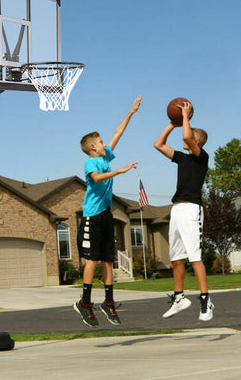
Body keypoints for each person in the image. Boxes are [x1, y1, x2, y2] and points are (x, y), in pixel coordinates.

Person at [74, 96, 141, 327]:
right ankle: (84, 302)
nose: (105, 144)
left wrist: (131, 112)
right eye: (101, 142)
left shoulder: (105, 157)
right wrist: (120, 172)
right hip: (92, 217)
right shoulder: (91, 163)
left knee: (108, 261)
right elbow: (97, 178)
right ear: (93, 147)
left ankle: (109, 303)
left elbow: (118, 133)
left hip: (106, 215)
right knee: (92, 260)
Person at [154, 100, 214, 321]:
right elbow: (158, 145)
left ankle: (206, 300)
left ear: (197, 142)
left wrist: (186, 116)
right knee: (176, 258)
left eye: (189, 137)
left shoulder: (202, 157)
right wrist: (173, 123)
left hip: (192, 210)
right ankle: (179, 298)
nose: (183, 138)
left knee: (194, 256)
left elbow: (187, 137)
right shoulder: (182, 158)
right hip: (177, 209)